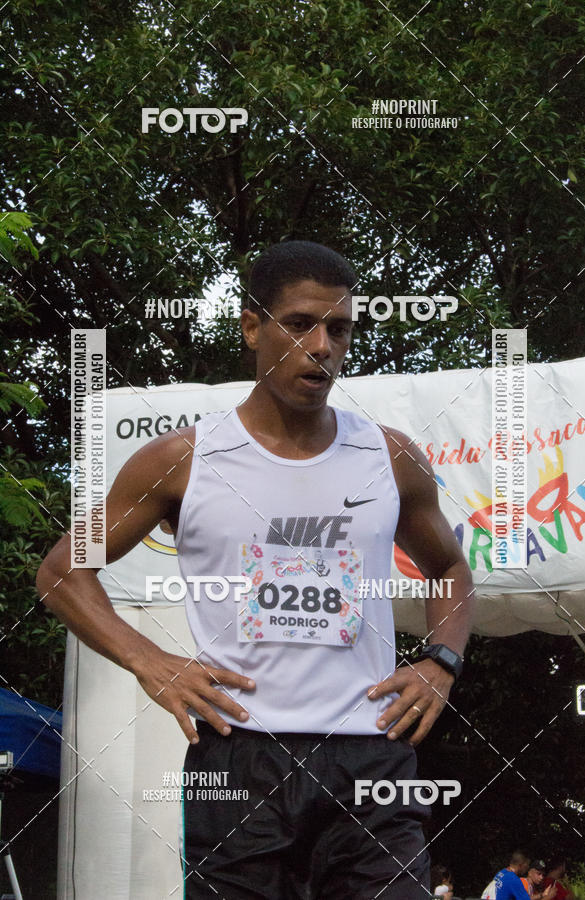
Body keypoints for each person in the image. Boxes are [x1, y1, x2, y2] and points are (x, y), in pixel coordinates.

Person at [37, 241, 475, 898]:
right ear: (251, 327)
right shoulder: (182, 460)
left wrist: (442, 661)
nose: (321, 346)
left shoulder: (389, 457)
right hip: (239, 754)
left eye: (339, 329)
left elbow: (449, 568)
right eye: (299, 324)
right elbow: (61, 572)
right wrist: (151, 661)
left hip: (370, 756)